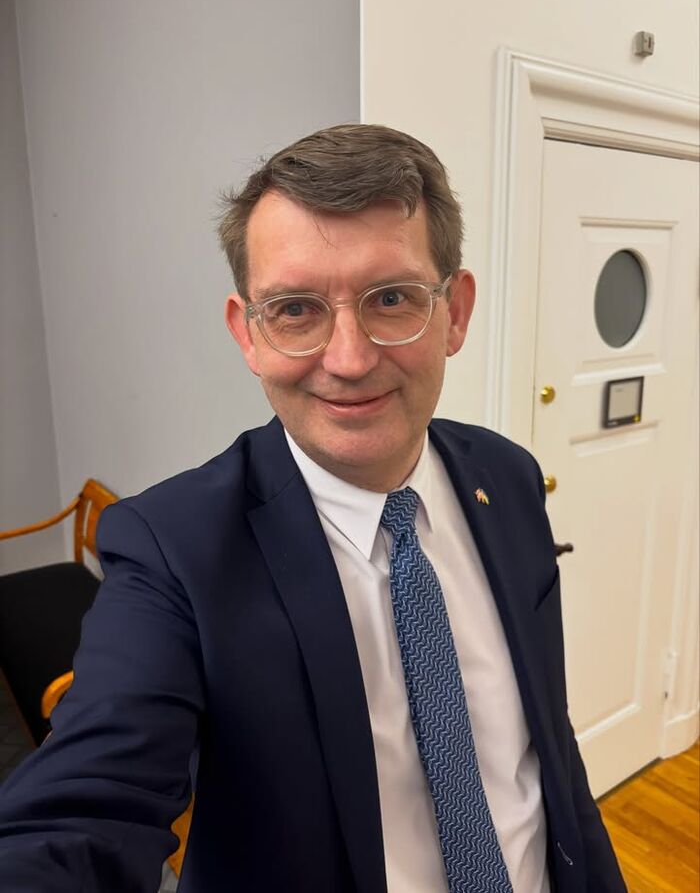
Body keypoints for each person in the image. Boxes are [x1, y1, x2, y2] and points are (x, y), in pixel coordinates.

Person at [0, 124, 625, 892]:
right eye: (296, 309)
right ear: (248, 335)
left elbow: (547, 744)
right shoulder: (176, 551)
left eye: (391, 299)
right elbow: (84, 806)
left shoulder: (509, 477)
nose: (350, 359)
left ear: (455, 312)